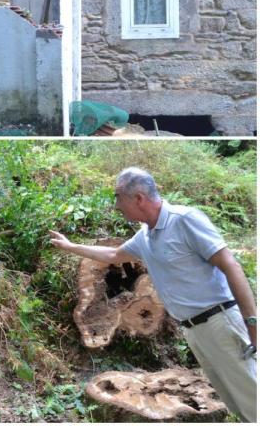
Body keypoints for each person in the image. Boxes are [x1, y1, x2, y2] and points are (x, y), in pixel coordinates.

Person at [48, 167, 256, 422]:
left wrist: (252, 322)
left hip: (220, 323)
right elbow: (113, 255)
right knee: (234, 400)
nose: (116, 206)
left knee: (253, 397)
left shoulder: (184, 219)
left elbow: (230, 265)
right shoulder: (146, 235)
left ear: (138, 198)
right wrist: (71, 247)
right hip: (193, 330)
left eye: (118, 197)